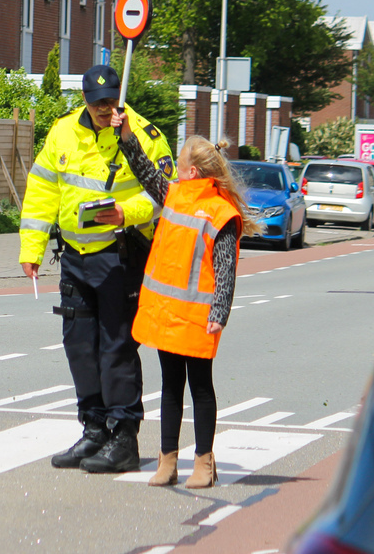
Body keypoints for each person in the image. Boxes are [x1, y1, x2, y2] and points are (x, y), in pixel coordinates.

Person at [19, 64, 175, 473]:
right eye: (98, 105)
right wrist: (30, 248)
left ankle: (123, 437)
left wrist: (126, 212)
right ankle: (94, 430)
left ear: (120, 97)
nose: (106, 111)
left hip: (119, 255)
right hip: (73, 256)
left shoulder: (144, 133)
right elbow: (41, 191)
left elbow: (166, 197)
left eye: (111, 103)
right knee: (79, 346)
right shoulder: (63, 131)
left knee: (116, 347)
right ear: (85, 101)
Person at [111, 113, 260, 488]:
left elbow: (226, 269)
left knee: (200, 388)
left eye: (179, 165)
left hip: (197, 317)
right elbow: (146, 173)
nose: (174, 171)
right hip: (168, 312)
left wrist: (219, 313)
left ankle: (204, 463)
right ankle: (168, 461)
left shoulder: (220, 211)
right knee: (171, 386)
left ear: (193, 172)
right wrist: (126, 136)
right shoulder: (175, 194)